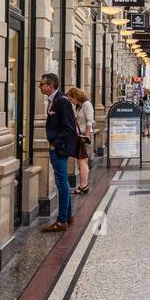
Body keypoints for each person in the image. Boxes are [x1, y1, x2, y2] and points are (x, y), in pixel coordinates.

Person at [41, 74, 79, 232]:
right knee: (63, 182)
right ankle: (68, 216)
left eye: (42, 84)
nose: (40, 87)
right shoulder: (55, 101)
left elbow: (69, 127)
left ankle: (61, 220)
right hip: (59, 147)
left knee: (62, 183)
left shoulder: (61, 101)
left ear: (50, 85)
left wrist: (55, 144)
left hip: (59, 149)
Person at [68, 86, 95, 195]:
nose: (71, 101)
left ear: (76, 96)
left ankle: (84, 185)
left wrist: (86, 137)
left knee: (82, 161)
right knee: (81, 161)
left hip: (84, 135)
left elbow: (90, 121)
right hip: (80, 135)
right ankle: (82, 184)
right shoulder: (80, 106)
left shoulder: (87, 105)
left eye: (71, 99)